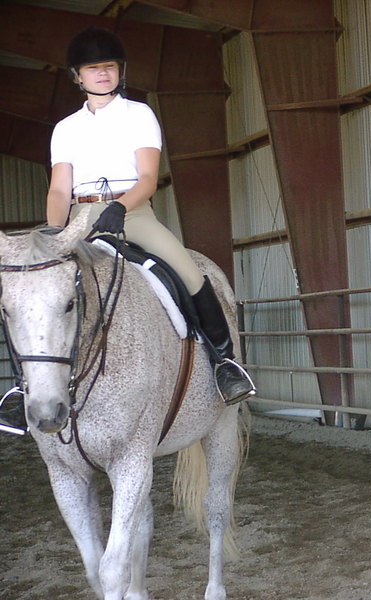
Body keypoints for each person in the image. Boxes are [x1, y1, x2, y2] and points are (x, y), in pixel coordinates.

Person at [0, 26, 254, 435]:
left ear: (120, 71)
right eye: (93, 68)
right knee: (36, 291)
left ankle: (225, 365)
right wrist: (53, 232)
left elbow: (148, 178)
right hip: (79, 217)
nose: (102, 74)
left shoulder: (140, 115)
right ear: (77, 76)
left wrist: (120, 207)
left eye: (109, 66)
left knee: (189, 272)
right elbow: (60, 188)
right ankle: (22, 387)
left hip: (132, 212)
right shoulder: (65, 128)